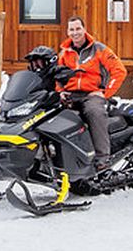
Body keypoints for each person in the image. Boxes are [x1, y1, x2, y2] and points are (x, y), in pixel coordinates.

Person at [55, 15, 128, 170]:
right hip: (70, 94)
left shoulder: (99, 49)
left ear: (84, 29)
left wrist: (105, 93)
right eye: (72, 29)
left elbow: (119, 71)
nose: (75, 33)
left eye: (78, 29)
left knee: (94, 112)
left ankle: (102, 158)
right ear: (68, 32)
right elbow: (56, 77)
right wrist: (60, 91)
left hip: (91, 95)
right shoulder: (64, 53)